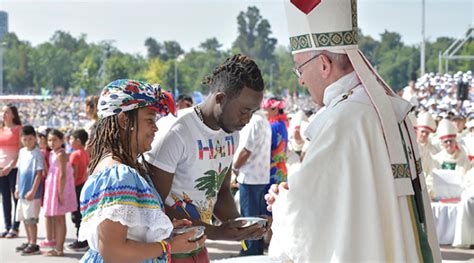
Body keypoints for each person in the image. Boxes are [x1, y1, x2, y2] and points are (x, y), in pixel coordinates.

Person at [265, 1, 440, 262]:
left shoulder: (344, 119)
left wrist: (282, 204)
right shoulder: (381, 106)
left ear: (324, 64)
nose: (299, 79)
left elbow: (307, 219)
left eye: (299, 68)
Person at [145, 54, 268, 262]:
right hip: (164, 250)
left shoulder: (231, 134)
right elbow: (153, 207)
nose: (247, 120)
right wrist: (216, 232)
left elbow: (220, 192)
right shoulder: (177, 131)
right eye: (243, 111)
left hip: (197, 246)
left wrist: (241, 225)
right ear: (220, 98)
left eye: (253, 112)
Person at [79, 79, 205, 262]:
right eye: (149, 119)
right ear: (124, 120)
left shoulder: (122, 171)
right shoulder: (118, 176)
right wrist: (169, 246)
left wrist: (161, 229)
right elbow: (113, 250)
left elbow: (129, 233)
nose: (155, 128)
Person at [232, 109, 272, 256]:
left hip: (250, 177)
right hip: (260, 176)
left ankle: (249, 254)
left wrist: (235, 167)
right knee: (259, 221)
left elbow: (246, 150)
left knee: (250, 221)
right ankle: (255, 252)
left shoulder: (255, 121)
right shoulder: (264, 121)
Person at [42, 129, 77, 256]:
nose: (51, 143)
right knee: (56, 218)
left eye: (54, 140)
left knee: (60, 219)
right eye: (49, 140)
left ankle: (59, 249)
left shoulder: (61, 154)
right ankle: (56, 246)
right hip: (53, 186)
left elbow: (62, 174)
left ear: (61, 140)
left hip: (58, 188)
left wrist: (61, 193)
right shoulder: (52, 153)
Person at [13, 125, 44, 255]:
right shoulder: (22, 152)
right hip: (22, 191)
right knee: (24, 218)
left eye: (30, 139)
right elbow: (19, 171)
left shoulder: (37, 153)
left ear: (35, 138)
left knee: (31, 219)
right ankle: (29, 240)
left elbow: (39, 173)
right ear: (21, 139)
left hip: (32, 193)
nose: (27, 142)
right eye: (24, 139)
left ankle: (34, 243)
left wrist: (32, 191)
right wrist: (16, 187)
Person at [66, 129, 90, 251]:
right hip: (83, 185)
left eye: (71, 139)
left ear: (78, 141)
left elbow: (73, 174)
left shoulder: (75, 154)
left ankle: (81, 241)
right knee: (82, 214)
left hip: (76, 186)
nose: (69, 141)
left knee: (76, 216)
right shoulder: (85, 153)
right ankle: (83, 240)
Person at [0, 104, 22, 239]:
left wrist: (10, 165)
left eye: (6, 112)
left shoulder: (19, 129)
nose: (3, 114)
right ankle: (7, 226)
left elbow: (20, 149)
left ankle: (15, 227)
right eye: (2, 112)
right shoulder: (1, 129)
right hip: (1, 168)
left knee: (15, 197)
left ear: (13, 114)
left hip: (13, 168)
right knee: (5, 198)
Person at [261, 98, 288, 186]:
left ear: (274, 109)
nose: (264, 112)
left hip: (271, 170)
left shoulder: (272, 127)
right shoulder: (282, 124)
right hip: (281, 168)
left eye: (265, 109)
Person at [415, 111, 440, 196]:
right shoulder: (411, 147)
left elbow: (434, 172)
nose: (424, 134)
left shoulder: (434, 151)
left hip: (428, 186)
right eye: (422, 131)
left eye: (427, 133)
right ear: (417, 131)